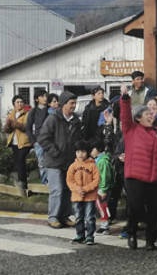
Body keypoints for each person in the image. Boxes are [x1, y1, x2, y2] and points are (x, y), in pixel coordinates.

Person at [120, 93, 157, 251]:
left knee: (154, 210)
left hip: (155, 177)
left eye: (152, 114)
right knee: (136, 207)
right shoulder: (131, 130)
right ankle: (132, 232)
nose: (151, 116)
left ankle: (150, 239)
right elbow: (125, 115)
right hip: (135, 176)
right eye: (147, 114)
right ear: (138, 118)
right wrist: (125, 98)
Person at [38, 91, 84, 228]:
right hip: (54, 162)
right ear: (63, 104)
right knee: (57, 189)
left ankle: (64, 216)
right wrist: (55, 152)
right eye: (71, 103)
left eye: (75, 103)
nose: (74, 106)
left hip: (69, 162)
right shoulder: (53, 119)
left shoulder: (75, 120)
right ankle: (52, 217)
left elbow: (79, 140)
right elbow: (43, 138)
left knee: (67, 190)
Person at [66, 140, 100, 245]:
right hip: (76, 196)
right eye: (78, 152)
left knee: (90, 217)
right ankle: (80, 235)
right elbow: (69, 180)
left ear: (88, 152)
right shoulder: (72, 166)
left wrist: (85, 189)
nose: (80, 154)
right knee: (78, 217)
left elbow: (97, 180)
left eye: (83, 151)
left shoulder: (93, 165)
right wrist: (77, 189)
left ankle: (90, 236)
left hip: (90, 196)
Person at [3, 95, 32, 194]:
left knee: (20, 160)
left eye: (21, 102)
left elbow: (26, 127)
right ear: (14, 104)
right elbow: (7, 130)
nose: (20, 104)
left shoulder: (27, 114)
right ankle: (21, 182)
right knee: (18, 162)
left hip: (24, 142)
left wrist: (15, 124)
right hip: (14, 142)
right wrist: (7, 125)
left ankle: (22, 182)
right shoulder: (11, 114)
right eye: (17, 102)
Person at [26, 90, 50, 184]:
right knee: (41, 163)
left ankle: (51, 181)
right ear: (37, 99)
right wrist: (33, 142)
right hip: (39, 142)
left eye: (46, 96)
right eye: (42, 96)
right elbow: (28, 127)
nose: (45, 98)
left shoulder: (50, 110)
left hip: (50, 140)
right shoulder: (33, 111)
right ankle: (44, 182)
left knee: (50, 162)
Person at [92, 139, 114, 235]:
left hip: (102, 189)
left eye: (92, 150)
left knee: (102, 207)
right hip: (100, 188)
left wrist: (103, 189)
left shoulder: (102, 162)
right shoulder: (100, 160)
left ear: (97, 149)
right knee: (102, 207)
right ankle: (104, 225)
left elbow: (105, 176)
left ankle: (105, 226)